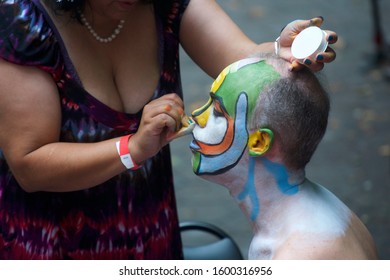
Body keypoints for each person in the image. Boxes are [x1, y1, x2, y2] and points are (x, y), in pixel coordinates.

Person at [0, 0, 337, 259]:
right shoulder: (23, 20)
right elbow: (30, 164)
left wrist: (278, 53)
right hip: (52, 245)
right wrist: (132, 149)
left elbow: (243, 60)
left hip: (151, 236)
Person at [190, 55, 378, 259]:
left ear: (259, 142)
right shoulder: (327, 212)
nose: (197, 115)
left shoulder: (300, 255)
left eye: (217, 112)